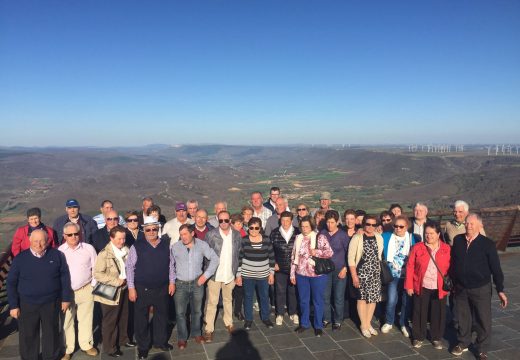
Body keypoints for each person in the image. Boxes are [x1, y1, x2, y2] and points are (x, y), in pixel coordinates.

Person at [7, 229, 72, 360]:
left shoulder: (57, 255)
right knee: (28, 335)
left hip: (51, 302)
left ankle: (51, 357)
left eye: (42, 240)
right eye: (35, 241)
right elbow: (11, 283)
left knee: (51, 333)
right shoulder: (20, 259)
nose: (39, 244)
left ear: (48, 241)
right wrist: (14, 305)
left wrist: (65, 298)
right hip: (27, 304)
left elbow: (65, 278)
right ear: (29, 241)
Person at [450, 214, 507, 359]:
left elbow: (496, 268)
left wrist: (500, 289)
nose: (468, 226)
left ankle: (482, 349)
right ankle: (463, 342)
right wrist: (453, 281)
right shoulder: (458, 240)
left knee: (483, 319)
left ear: (480, 226)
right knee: (463, 318)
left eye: (472, 224)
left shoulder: (487, 244)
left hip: (481, 287)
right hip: (461, 287)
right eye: (467, 223)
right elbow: (453, 263)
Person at [126, 217, 175, 359]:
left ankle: (160, 341)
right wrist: (131, 288)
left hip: (162, 287)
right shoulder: (137, 246)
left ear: (158, 229)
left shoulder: (166, 244)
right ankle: (143, 347)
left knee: (162, 316)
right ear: (144, 230)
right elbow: (129, 267)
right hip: (142, 289)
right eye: (148, 229)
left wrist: (172, 282)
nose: (152, 232)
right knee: (141, 319)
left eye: (154, 229)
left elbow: (171, 264)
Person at [171, 224, 219, 350]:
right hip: (180, 284)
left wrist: (206, 275)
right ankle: (182, 338)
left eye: (185, 234)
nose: (183, 237)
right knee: (180, 313)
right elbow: (170, 265)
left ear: (192, 233)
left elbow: (214, 259)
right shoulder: (175, 247)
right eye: (181, 235)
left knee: (197, 311)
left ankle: (196, 333)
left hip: (197, 283)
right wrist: (171, 282)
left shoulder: (202, 245)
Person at [405, 221, 450, 349]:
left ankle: (436, 337)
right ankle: (418, 337)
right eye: (426, 233)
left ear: (438, 234)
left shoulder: (446, 249)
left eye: (431, 233)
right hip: (421, 284)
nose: (428, 236)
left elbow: (451, 268)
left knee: (438, 312)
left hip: (439, 286)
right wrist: (409, 285)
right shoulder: (417, 247)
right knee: (419, 311)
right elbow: (410, 267)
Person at [59, 222, 98, 359]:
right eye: (70, 235)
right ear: (64, 236)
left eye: (76, 233)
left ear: (80, 233)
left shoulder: (89, 248)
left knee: (86, 318)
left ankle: (86, 345)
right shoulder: (60, 251)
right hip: (67, 293)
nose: (73, 237)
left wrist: (93, 285)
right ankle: (68, 349)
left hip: (85, 289)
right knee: (67, 321)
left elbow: (96, 268)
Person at [290, 216, 333, 337]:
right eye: (302, 226)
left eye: (307, 226)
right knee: (303, 300)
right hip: (301, 274)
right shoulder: (298, 238)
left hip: (317, 275)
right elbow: (293, 257)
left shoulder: (320, 237)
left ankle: (318, 325)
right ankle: (304, 323)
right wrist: (292, 273)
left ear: (312, 226)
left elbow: (330, 252)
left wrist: (317, 252)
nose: (304, 229)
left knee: (318, 301)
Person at [203, 210, 242, 342]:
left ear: (230, 221)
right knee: (212, 302)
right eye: (221, 221)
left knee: (228, 300)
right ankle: (209, 329)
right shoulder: (211, 235)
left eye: (226, 220)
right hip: (215, 274)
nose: (224, 223)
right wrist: (206, 273)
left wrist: (237, 273)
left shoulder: (236, 235)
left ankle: (229, 322)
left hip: (229, 273)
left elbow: (238, 255)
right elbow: (205, 255)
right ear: (218, 221)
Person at [94, 225, 132, 357]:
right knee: (110, 320)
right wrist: (116, 281)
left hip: (124, 289)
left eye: (124, 238)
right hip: (110, 292)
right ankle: (110, 348)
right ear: (111, 238)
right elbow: (98, 274)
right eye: (119, 239)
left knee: (123, 315)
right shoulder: (104, 254)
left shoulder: (126, 249)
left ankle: (123, 339)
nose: (122, 241)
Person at [236, 217, 275, 330]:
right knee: (248, 297)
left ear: (260, 228)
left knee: (264, 297)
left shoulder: (267, 240)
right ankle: (248, 320)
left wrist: (271, 273)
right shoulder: (244, 240)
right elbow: (240, 258)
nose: (253, 230)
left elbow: (271, 257)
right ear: (248, 228)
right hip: (247, 275)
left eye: (256, 228)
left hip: (263, 275)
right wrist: (238, 275)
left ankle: (266, 318)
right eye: (251, 228)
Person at [348, 215, 384, 338]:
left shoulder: (379, 237)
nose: (370, 227)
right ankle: (363, 325)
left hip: (374, 273)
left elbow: (379, 256)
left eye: (373, 225)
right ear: (364, 224)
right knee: (362, 299)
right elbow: (351, 259)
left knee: (373, 299)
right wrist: (354, 276)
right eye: (368, 224)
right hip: (361, 273)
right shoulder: (357, 238)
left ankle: (368, 324)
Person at [381, 215, 416, 338]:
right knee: (391, 299)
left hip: (407, 274)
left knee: (406, 301)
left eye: (401, 226)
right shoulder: (386, 236)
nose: (398, 228)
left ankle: (403, 323)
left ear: (407, 227)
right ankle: (389, 321)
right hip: (392, 274)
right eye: (395, 226)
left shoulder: (413, 238)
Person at [321, 210, 350, 330]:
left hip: (340, 270)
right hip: (325, 270)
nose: (330, 225)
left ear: (337, 222)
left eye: (332, 222)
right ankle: (326, 318)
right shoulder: (322, 234)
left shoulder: (343, 236)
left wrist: (345, 268)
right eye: (328, 222)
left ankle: (338, 320)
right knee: (325, 296)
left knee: (338, 297)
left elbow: (350, 254)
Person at [270, 211, 299, 326]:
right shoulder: (274, 233)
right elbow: (270, 250)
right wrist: (274, 263)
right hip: (280, 268)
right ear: (280, 220)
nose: (285, 223)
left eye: (288, 220)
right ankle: (280, 313)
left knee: (293, 291)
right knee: (280, 291)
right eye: (283, 220)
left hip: (294, 268)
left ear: (291, 221)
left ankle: (293, 312)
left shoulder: (298, 232)